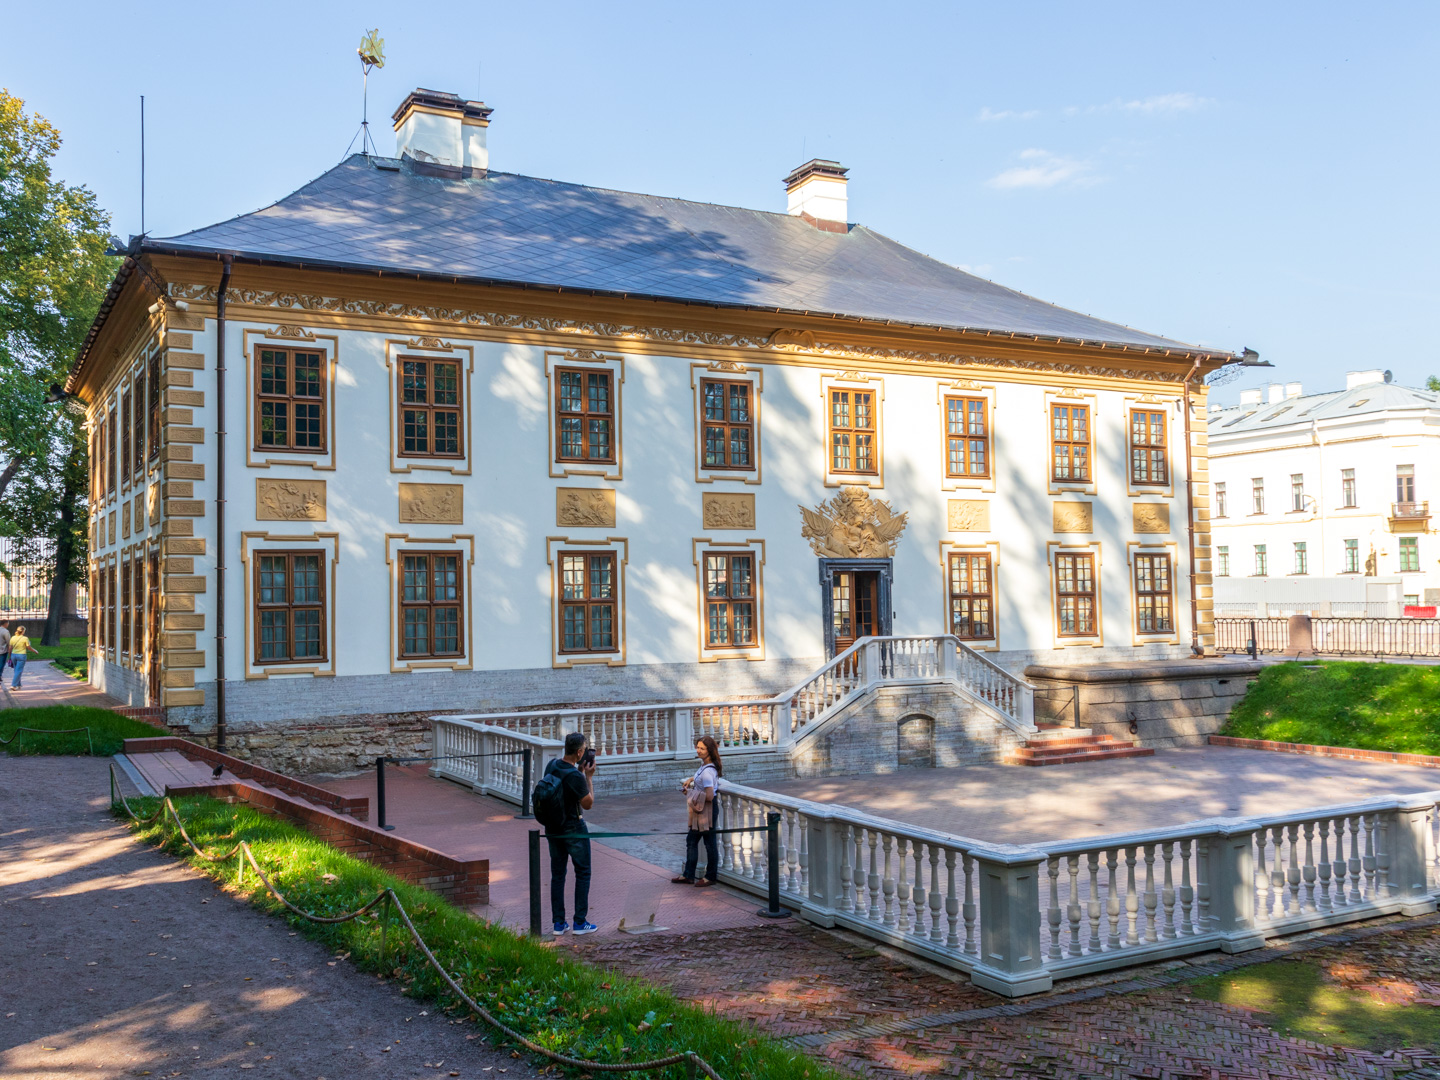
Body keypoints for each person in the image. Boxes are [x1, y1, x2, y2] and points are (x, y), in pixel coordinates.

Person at [546, 731, 597, 935]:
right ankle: (579, 922)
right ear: (579, 753)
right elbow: (588, 803)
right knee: (583, 872)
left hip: (553, 826)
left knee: (558, 874)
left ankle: (559, 923)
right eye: (584, 750)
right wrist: (588, 777)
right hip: (573, 827)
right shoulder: (576, 776)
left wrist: (579, 771)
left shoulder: (552, 765)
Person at [672, 735, 722, 887]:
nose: (698, 750)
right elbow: (701, 778)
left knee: (709, 843)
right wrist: (691, 779)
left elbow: (709, 796)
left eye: (702, 748)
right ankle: (688, 875)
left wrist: (690, 793)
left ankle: (710, 876)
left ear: (709, 751)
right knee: (692, 841)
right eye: (697, 747)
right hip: (701, 809)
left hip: (706, 810)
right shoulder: (705, 766)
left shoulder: (707, 772)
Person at [9, 624, 33, 690]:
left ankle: (18, 684)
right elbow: (28, 647)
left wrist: (10, 655)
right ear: (23, 631)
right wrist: (35, 651)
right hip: (21, 655)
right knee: (19, 670)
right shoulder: (25, 638)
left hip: (13, 655)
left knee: (16, 670)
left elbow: (10, 647)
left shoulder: (13, 637)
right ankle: (13, 685)